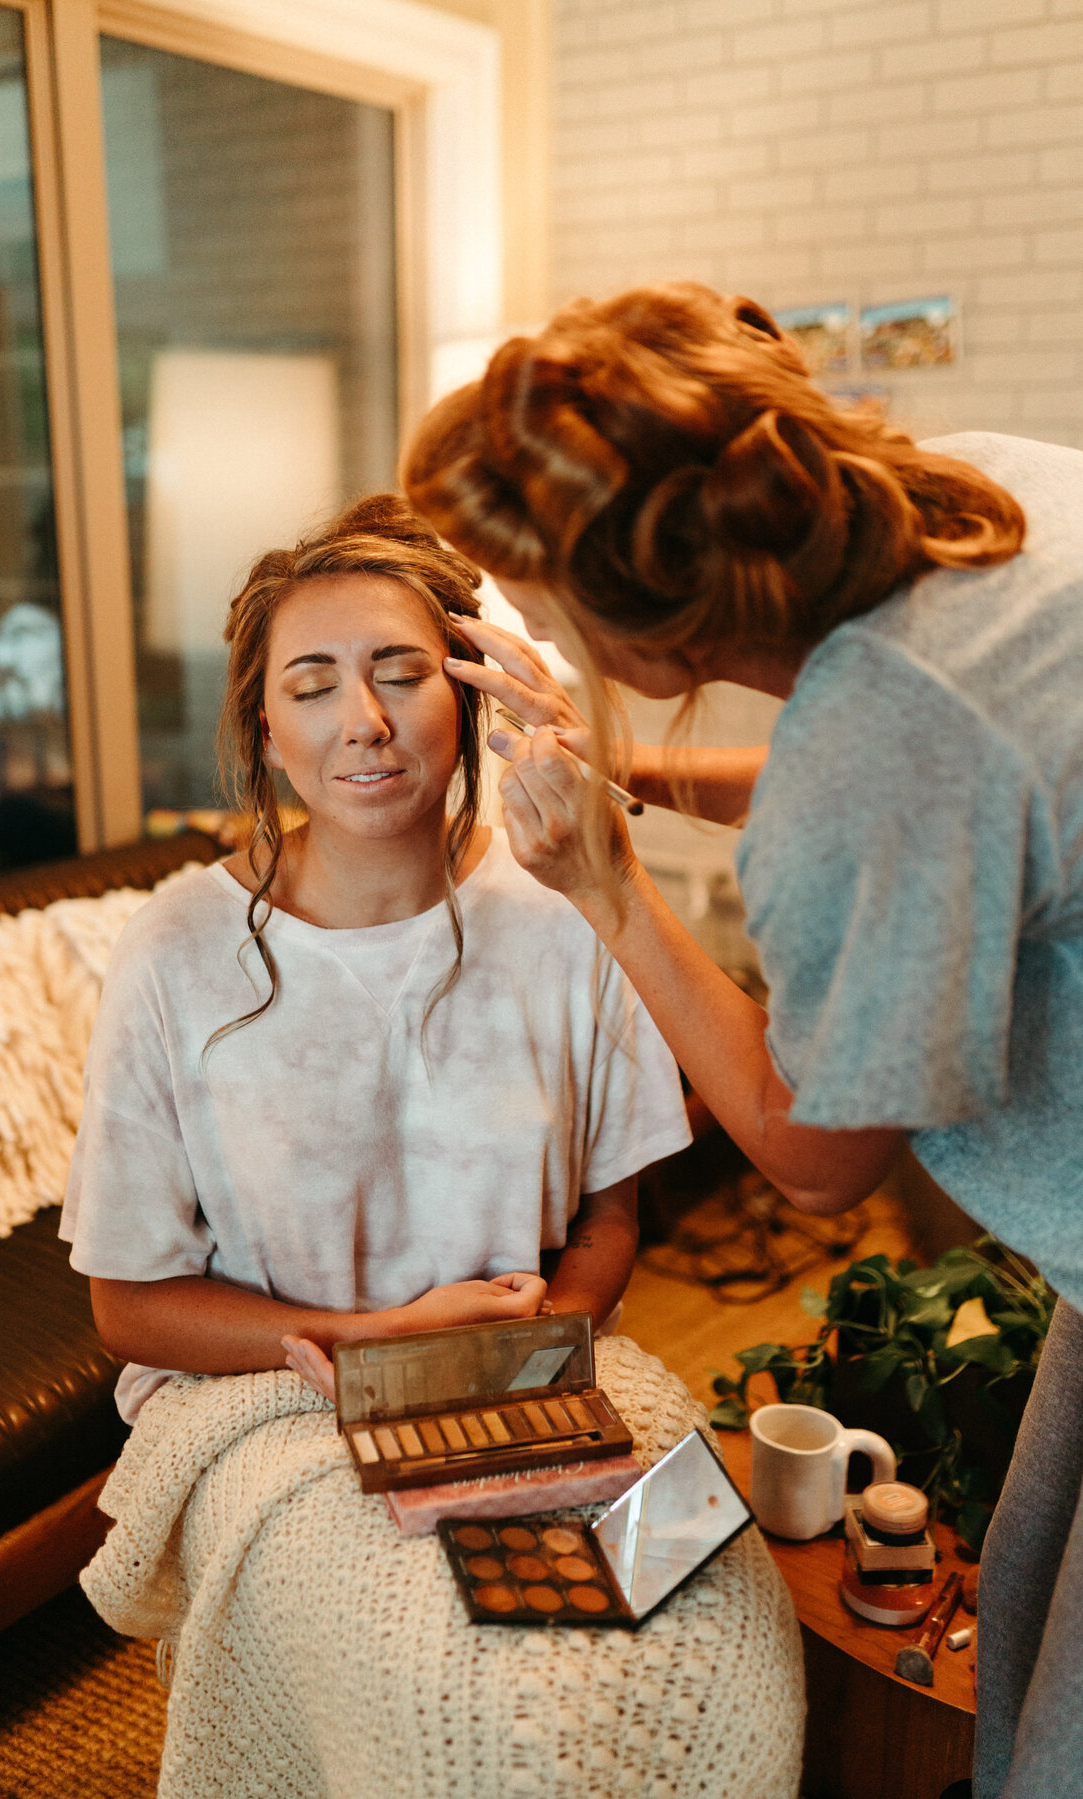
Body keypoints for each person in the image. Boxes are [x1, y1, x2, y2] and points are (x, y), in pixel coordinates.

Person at [402, 281, 1083, 1799]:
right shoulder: (970, 495)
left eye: (545, 595)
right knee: (1029, 1608)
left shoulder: (891, 738)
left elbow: (811, 1142)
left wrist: (605, 879)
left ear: (647, 625)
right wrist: (632, 771)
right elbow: (907, 774)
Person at [60, 493, 690, 1423]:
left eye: (400, 673)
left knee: (696, 1566)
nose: (364, 721)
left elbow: (609, 1218)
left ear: (468, 690)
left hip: (538, 1356)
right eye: (312, 689)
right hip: (274, 1391)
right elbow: (129, 1305)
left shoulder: (569, 909)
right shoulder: (175, 951)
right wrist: (381, 1346)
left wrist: (516, 1354)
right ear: (269, 734)